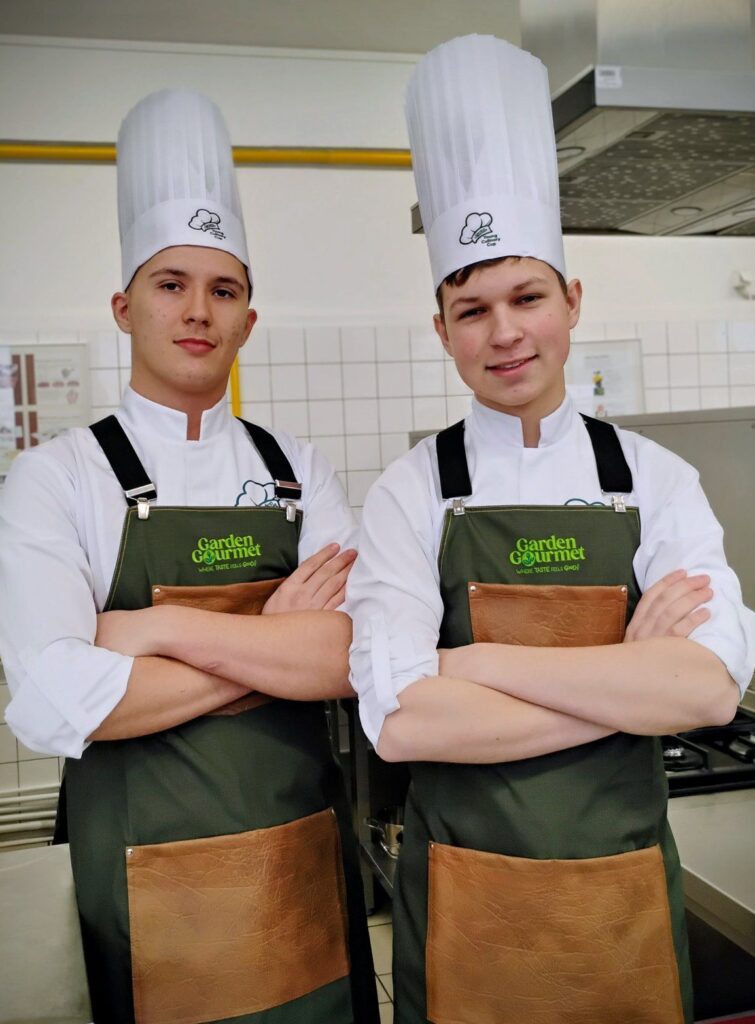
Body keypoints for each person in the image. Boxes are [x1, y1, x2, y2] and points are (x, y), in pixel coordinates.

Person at [346, 35, 755, 1024]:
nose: (504, 333)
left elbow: (708, 689)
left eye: (527, 297)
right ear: (441, 328)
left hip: (621, 908)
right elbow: (400, 722)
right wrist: (629, 684)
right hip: (465, 914)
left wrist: (475, 663)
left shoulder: (653, 478)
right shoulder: (409, 491)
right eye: (472, 309)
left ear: (570, 302)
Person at [0, 89, 379, 1024]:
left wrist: (154, 629)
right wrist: (270, 641)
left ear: (248, 318)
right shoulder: (57, 476)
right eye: (171, 284)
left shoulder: (298, 471)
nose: (198, 310)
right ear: (124, 307)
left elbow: (349, 658)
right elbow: (51, 701)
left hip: (300, 866)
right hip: (144, 889)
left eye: (224, 290)